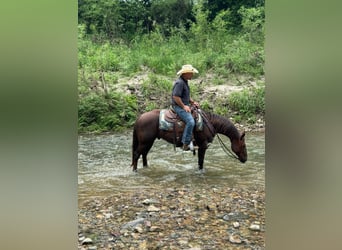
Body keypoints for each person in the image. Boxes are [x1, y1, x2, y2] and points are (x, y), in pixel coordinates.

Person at [171, 64, 199, 151]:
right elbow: (176, 97)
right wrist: (184, 106)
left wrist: (192, 102)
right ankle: (185, 143)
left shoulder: (184, 82)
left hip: (183, 104)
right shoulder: (180, 83)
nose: (192, 75)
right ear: (185, 73)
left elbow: (185, 96)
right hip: (178, 106)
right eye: (191, 73)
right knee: (190, 121)